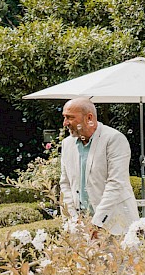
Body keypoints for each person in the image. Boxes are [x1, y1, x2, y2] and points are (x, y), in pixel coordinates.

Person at [59, 99, 139, 235]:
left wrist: (97, 223)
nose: (65, 123)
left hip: (115, 225)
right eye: (64, 117)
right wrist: (73, 219)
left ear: (89, 118)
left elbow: (116, 183)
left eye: (70, 118)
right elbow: (65, 183)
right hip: (80, 227)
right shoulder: (67, 143)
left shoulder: (114, 139)